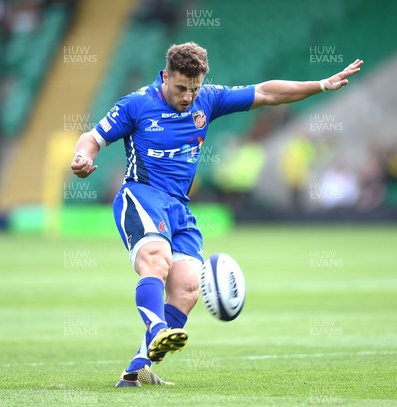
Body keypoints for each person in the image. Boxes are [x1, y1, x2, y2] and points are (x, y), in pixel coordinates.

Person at [70, 42, 363, 388]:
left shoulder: (207, 99)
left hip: (180, 208)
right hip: (142, 196)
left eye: (194, 89)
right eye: (180, 88)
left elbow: (267, 92)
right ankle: (158, 329)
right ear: (165, 77)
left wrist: (321, 85)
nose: (187, 97)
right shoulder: (137, 105)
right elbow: (93, 137)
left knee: (188, 288)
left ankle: (137, 370)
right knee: (156, 262)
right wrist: (82, 159)